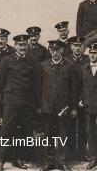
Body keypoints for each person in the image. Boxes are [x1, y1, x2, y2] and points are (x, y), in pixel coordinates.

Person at [0, 34, 39, 171]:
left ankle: (18, 159)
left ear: (27, 46)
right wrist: (8, 96)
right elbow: (0, 83)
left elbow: (36, 83)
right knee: (6, 132)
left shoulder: (32, 61)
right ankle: (0, 162)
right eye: (20, 45)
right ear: (15, 46)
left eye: (25, 45)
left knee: (24, 133)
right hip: (11, 102)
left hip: (26, 103)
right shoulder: (6, 60)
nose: (22, 47)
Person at [38, 40, 77, 171]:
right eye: (52, 50)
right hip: (47, 107)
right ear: (49, 51)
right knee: (47, 134)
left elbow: (74, 90)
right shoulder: (43, 66)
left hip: (63, 109)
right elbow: (38, 88)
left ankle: (62, 161)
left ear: (62, 51)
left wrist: (73, 108)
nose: (55, 53)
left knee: (62, 135)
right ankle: (48, 161)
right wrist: (39, 106)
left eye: (57, 50)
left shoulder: (70, 66)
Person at [64, 36, 90, 160]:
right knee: (69, 125)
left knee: (83, 126)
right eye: (75, 45)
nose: (78, 48)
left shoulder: (88, 60)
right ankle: (70, 152)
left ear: (83, 47)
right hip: (70, 99)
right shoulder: (66, 60)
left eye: (80, 45)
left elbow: (89, 81)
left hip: (84, 97)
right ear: (71, 47)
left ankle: (81, 153)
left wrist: (83, 98)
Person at [79, 43, 97, 170]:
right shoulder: (84, 68)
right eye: (90, 53)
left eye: (95, 53)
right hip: (89, 104)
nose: (92, 55)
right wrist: (81, 99)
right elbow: (80, 86)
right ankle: (93, 157)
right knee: (90, 132)